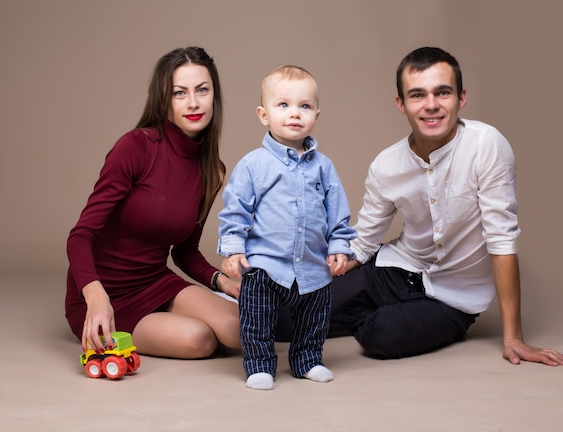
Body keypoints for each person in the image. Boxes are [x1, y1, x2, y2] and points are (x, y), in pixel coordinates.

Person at [289, 46, 563, 367]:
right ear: (402, 103)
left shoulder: (486, 145)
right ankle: (334, 306)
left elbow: (501, 240)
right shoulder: (387, 164)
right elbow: (363, 241)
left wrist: (514, 338)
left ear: (461, 98)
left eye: (443, 92)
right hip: (393, 269)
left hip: (453, 298)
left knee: (380, 335)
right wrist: (303, 274)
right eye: (418, 95)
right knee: (285, 315)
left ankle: (362, 315)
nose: (431, 105)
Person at [65, 46, 241, 360]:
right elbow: (80, 235)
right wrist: (95, 296)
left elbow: (185, 250)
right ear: (164, 100)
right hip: (104, 293)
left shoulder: (212, 170)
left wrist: (221, 281)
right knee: (199, 339)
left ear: (215, 95)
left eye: (202, 90)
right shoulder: (135, 147)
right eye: (179, 93)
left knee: (239, 330)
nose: (193, 103)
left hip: (155, 281)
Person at [218, 65, 357, 390]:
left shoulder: (324, 167)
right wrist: (233, 248)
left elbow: (338, 213)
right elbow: (236, 210)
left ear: (316, 115)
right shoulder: (254, 164)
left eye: (304, 106)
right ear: (263, 114)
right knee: (257, 318)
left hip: (312, 265)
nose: (294, 113)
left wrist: (339, 247)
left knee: (315, 318)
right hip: (264, 265)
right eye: (283, 105)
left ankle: (308, 359)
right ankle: (260, 364)